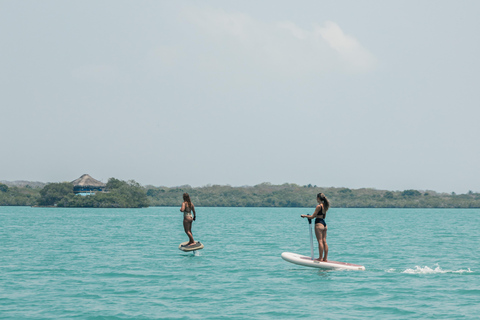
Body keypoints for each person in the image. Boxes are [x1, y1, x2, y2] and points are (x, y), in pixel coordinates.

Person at [301, 193, 330, 261]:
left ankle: (320, 258)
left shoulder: (319, 206)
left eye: (317, 198)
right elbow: (324, 216)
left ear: (318, 198)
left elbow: (312, 216)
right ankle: (325, 258)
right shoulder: (325, 206)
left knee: (320, 241)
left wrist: (304, 216)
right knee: (324, 241)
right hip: (324, 224)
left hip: (319, 224)